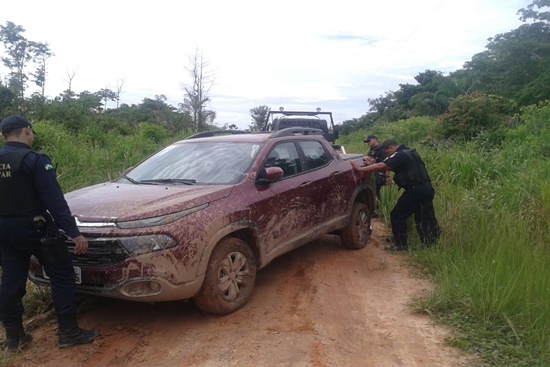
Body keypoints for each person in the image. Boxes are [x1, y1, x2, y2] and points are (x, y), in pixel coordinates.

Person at [0, 115, 99, 352]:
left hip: (5, 232)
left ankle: (14, 339)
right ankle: (69, 332)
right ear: (27, 130)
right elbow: (55, 202)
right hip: (36, 229)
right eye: (31, 132)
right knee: (62, 275)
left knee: (11, 283)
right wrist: (75, 234)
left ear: (5, 135)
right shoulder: (34, 160)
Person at [351, 139, 440, 251]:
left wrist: (360, 168)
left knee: (397, 215)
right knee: (425, 215)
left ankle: (401, 245)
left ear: (390, 148)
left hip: (415, 190)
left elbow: (382, 166)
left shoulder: (400, 154)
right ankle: (431, 241)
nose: (388, 155)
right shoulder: (408, 152)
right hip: (426, 188)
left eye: (387, 153)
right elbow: (389, 165)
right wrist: (373, 164)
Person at [363, 135, 391, 199]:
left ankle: (377, 207)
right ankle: (378, 207)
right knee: (374, 193)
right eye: (367, 142)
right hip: (373, 174)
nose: (368, 143)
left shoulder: (381, 149)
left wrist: (387, 177)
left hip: (379, 175)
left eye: (369, 141)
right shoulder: (373, 149)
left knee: (374, 194)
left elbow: (387, 163)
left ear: (374, 139)